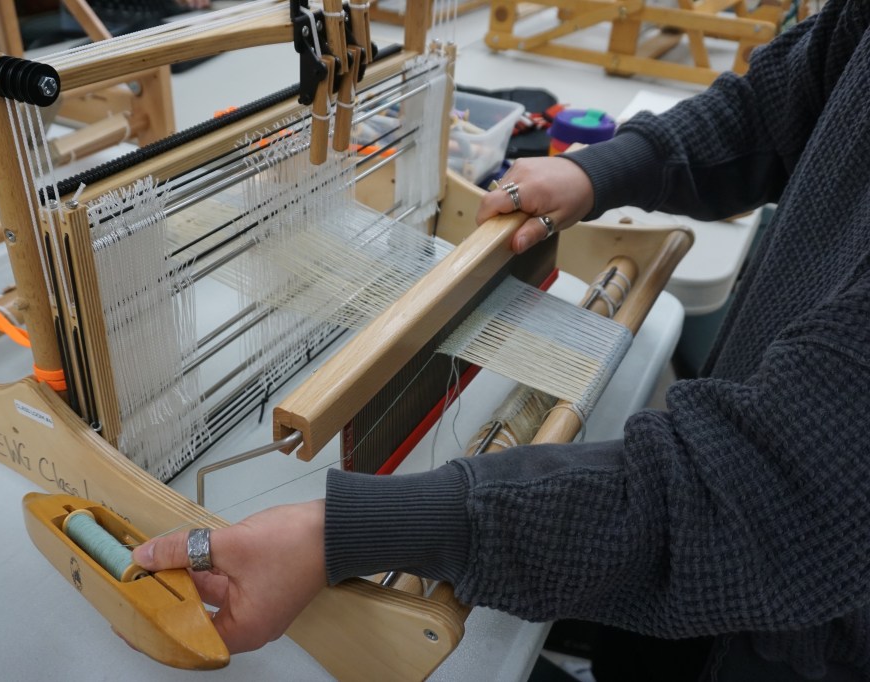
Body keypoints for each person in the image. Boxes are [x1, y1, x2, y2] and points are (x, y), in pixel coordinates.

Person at [133, 2, 870, 679]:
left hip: (802, 632)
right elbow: (785, 101)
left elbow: (756, 499)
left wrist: (345, 532)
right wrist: (598, 169)